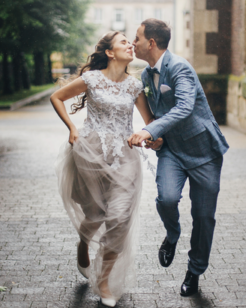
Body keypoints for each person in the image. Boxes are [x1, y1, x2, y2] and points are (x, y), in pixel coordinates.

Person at [51, 31, 162, 307]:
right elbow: (56, 97)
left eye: (130, 41)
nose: (130, 45)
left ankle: (103, 280)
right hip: (90, 152)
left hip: (125, 156)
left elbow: (150, 123)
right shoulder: (91, 79)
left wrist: (151, 137)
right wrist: (72, 127)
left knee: (119, 216)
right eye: (123, 41)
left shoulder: (134, 86)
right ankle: (83, 242)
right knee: (95, 213)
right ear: (110, 53)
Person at [129, 18, 229, 296]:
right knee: (167, 199)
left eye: (136, 38)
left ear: (150, 43)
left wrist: (149, 130)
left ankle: (194, 271)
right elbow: (160, 111)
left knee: (204, 217)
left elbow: (184, 107)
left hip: (203, 152)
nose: (133, 42)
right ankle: (172, 234)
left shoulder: (180, 67)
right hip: (172, 150)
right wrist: (157, 137)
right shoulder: (146, 76)